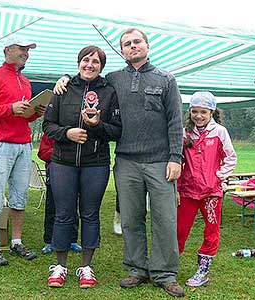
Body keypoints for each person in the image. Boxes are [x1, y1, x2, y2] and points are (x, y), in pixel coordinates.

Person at [54, 28, 184, 297]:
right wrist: (64, 78)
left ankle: (165, 273)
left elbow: (176, 121)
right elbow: (85, 81)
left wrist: (175, 158)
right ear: (121, 51)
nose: (133, 46)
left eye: (137, 42)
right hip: (126, 162)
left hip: (160, 162)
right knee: (131, 220)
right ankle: (137, 268)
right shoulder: (112, 80)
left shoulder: (166, 80)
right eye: (127, 44)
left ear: (147, 45)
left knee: (164, 219)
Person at [43, 45, 121, 289]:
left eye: (95, 61)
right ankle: (60, 267)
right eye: (86, 60)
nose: (90, 65)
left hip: (95, 164)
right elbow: (47, 125)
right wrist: (68, 133)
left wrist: (96, 125)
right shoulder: (63, 88)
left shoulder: (109, 92)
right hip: (62, 162)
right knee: (63, 214)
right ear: (79, 63)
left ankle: (86, 268)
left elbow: (117, 130)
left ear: (101, 66)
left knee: (90, 214)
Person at [0, 35, 46, 266]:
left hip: (23, 144)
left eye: (29, 49)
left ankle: (16, 242)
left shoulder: (25, 82)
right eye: (22, 48)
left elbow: (24, 116)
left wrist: (37, 111)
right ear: (8, 50)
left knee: (20, 196)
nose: (26, 53)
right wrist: (10, 108)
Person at [177, 91, 236, 287]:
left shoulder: (220, 132)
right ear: (190, 112)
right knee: (179, 229)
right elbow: (177, 158)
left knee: (211, 231)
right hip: (187, 191)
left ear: (212, 112)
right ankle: (169, 267)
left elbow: (230, 157)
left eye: (203, 112)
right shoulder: (185, 132)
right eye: (195, 111)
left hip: (211, 193)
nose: (199, 116)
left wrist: (218, 177)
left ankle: (203, 270)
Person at [37, 133, 82, 254]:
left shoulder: (78, 131)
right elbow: (42, 152)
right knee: (51, 209)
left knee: (73, 208)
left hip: (74, 174)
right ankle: (49, 241)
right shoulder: (51, 132)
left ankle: (72, 240)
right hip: (55, 174)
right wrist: (61, 153)